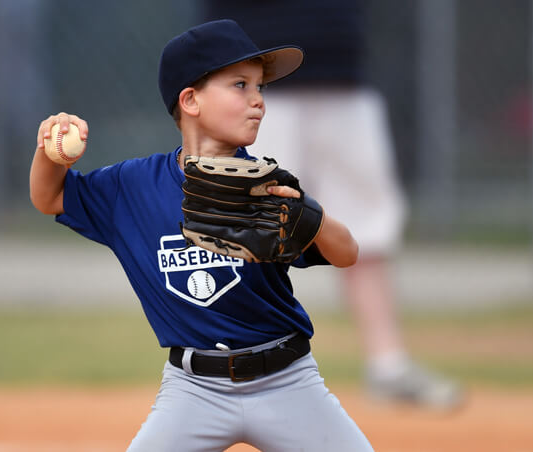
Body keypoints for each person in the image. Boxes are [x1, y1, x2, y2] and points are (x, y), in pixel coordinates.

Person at [30, 20, 373, 451]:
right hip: (193, 392)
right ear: (190, 99)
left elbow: (348, 253)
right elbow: (49, 197)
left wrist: (309, 217)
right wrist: (49, 153)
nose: (258, 102)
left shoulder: (264, 185)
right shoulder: (132, 187)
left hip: (288, 382)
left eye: (261, 88)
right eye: (240, 85)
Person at [201, 0, 462, 408]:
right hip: (254, 79)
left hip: (344, 76)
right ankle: (232, 363)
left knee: (366, 225)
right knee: (246, 227)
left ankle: (388, 364)